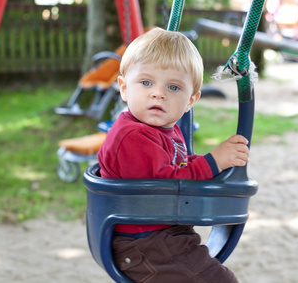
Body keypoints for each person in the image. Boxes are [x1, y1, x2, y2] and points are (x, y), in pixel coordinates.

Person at [98, 27, 249, 283]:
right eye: (146, 82)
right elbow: (168, 184)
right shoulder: (133, 137)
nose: (158, 93)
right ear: (124, 88)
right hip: (144, 244)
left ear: (191, 100)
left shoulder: (165, 129)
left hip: (160, 238)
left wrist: (214, 165)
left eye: (174, 87)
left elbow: (177, 165)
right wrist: (214, 162)